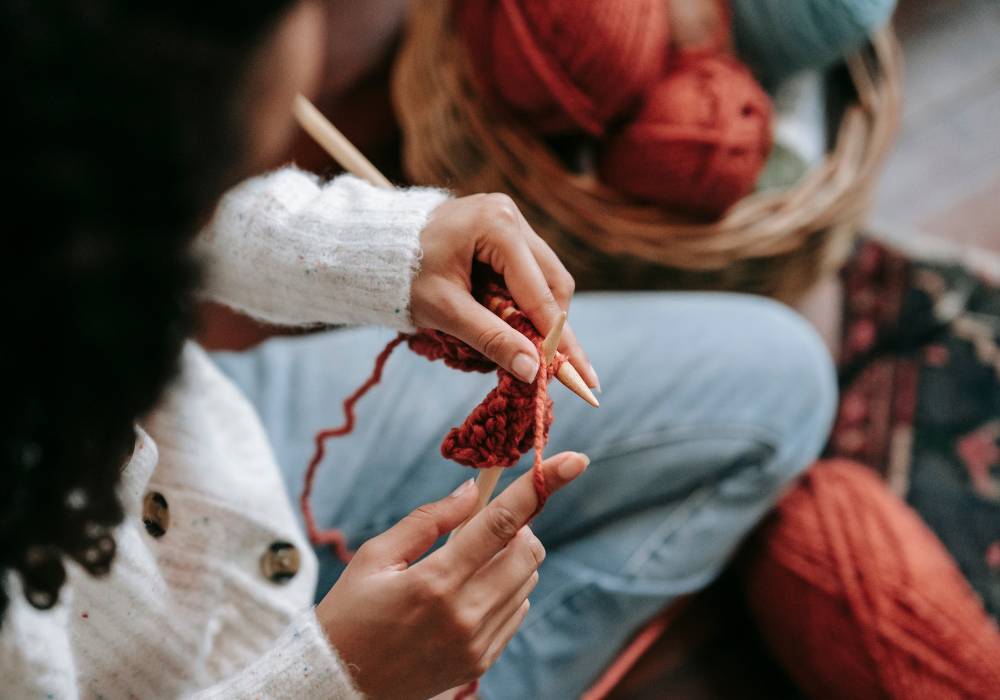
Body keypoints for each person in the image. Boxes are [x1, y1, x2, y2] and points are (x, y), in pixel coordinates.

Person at [0, 1, 836, 697]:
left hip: (220, 461)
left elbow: (153, 193)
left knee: (782, 380)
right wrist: (340, 678)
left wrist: (395, 250)